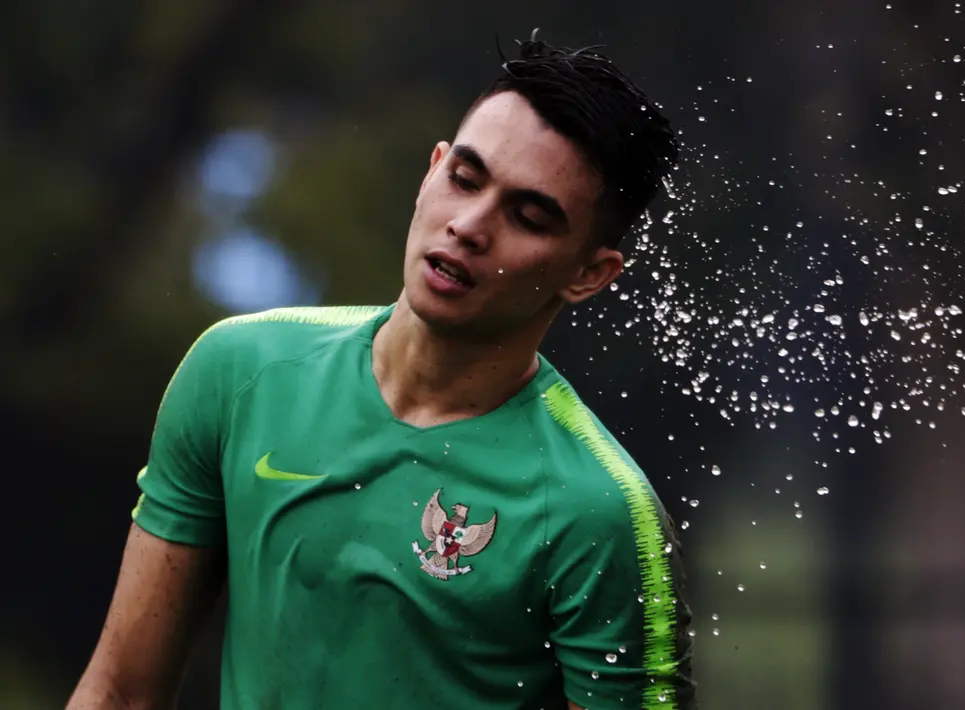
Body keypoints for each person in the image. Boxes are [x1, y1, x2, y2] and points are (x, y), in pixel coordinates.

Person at [67, 32, 696, 710]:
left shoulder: (599, 514)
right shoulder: (239, 375)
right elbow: (119, 691)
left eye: (527, 215)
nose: (468, 226)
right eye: (464, 178)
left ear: (588, 273)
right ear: (431, 171)